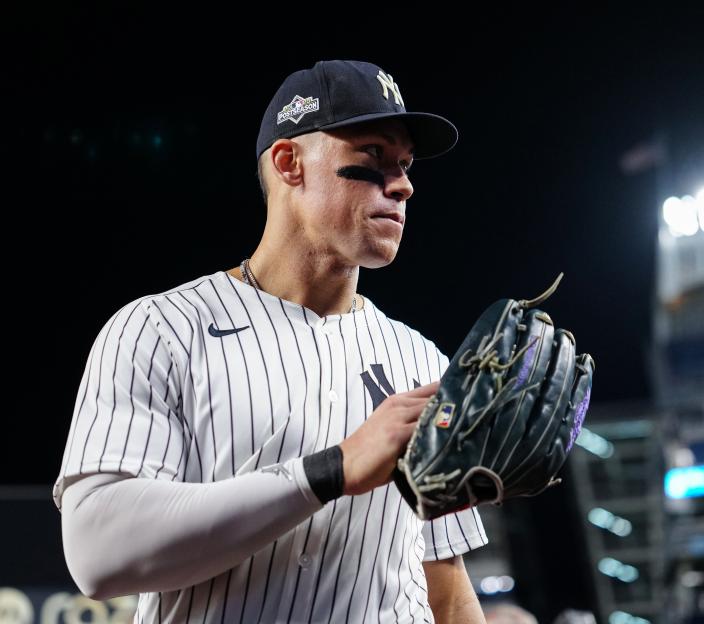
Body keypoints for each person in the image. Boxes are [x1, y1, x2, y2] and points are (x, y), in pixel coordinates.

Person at [52, 59, 489, 623]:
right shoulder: (162, 329)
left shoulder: (421, 360)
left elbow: (445, 589)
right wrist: (330, 470)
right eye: (374, 156)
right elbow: (98, 553)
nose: (403, 184)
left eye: (404, 164)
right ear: (289, 163)